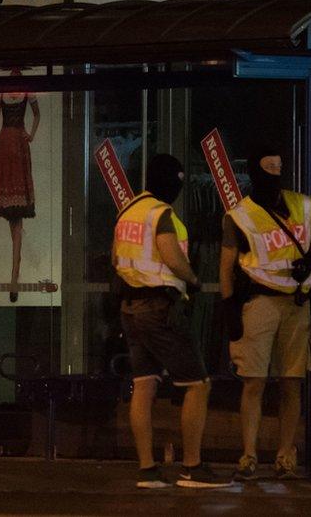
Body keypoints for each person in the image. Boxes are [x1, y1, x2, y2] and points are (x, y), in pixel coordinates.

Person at [112, 154, 229, 489]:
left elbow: (115, 256)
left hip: (129, 308)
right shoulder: (161, 213)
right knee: (197, 384)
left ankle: (148, 470)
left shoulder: (127, 212)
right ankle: (192, 467)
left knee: (144, 384)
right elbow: (171, 255)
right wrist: (193, 279)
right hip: (158, 306)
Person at [220, 145, 311, 481]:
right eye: (268, 170)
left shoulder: (304, 207)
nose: (274, 176)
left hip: (296, 302)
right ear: (254, 172)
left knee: (291, 381)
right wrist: (229, 307)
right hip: (259, 302)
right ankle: (248, 455)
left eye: (278, 168)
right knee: (254, 382)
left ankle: (284, 455)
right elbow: (226, 266)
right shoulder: (239, 215)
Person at [0, 91, 39, 303]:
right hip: (12, 144)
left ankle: (14, 271)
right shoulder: (9, 90)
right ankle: (14, 270)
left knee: (15, 215)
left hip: (12, 143)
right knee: (13, 215)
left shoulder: (21, 90)